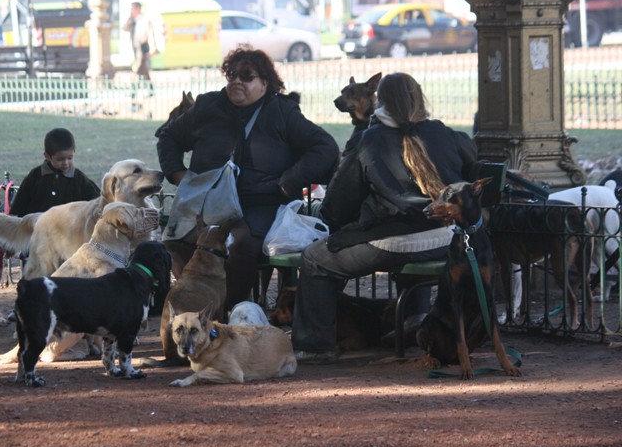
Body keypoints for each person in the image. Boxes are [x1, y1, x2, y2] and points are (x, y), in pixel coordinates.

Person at [291, 72, 482, 364]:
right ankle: (412, 322)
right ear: (419, 98)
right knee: (407, 244)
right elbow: (472, 174)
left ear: (381, 101)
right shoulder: (443, 132)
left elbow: (337, 206)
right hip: (447, 238)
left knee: (315, 259)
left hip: (395, 240)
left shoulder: (370, 139)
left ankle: (314, 347)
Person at [156, 46, 339, 311]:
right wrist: (178, 173)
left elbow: (325, 147)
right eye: (232, 75)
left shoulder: (282, 112)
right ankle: (196, 306)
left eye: (246, 76)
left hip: (257, 204)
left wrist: (288, 182)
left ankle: (228, 311)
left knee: (236, 242)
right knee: (176, 238)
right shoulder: (208, 106)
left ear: (265, 83)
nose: (237, 81)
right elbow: (168, 137)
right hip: (205, 201)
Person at [9, 127, 101, 217]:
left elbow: (98, 201)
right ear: (47, 156)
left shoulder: (79, 179)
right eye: (60, 159)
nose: (66, 163)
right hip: (37, 229)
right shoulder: (35, 176)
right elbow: (18, 206)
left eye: (70, 158)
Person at [123, 1, 156, 93]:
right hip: (134, 48)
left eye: (132, 9)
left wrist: (152, 49)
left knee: (137, 69)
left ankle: (134, 90)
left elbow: (151, 34)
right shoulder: (132, 21)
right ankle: (151, 90)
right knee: (144, 71)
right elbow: (125, 28)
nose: (131, 11)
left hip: (143, 48)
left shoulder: (145, 20)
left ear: (137, 9)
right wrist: (130, 18)